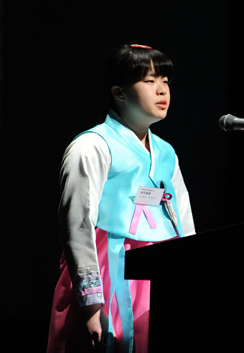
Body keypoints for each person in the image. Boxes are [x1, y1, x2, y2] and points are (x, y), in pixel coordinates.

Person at [47, 44, 195, 353]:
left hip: (159, 275)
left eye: (165, 80)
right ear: (119, 92)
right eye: (149, 80)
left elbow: (184, 224)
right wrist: (89, 304)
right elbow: (77, 228)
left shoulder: (166, 153)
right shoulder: (92, 145)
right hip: (108, 268)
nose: (161, 90)